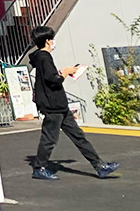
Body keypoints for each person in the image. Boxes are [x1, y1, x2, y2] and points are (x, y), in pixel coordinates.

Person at [29, 26, 119, 181]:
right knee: (50, 138)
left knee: (78, 136)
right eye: (52, 38)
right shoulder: (45, 57)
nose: (53, 41)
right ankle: (39, 168)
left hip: (59, 105)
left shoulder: (40, 58)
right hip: (53, 105)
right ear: (47, 41)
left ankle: (99, 166)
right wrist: (65, 72)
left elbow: (48, 78)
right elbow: (53, 80)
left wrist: (63, 72)